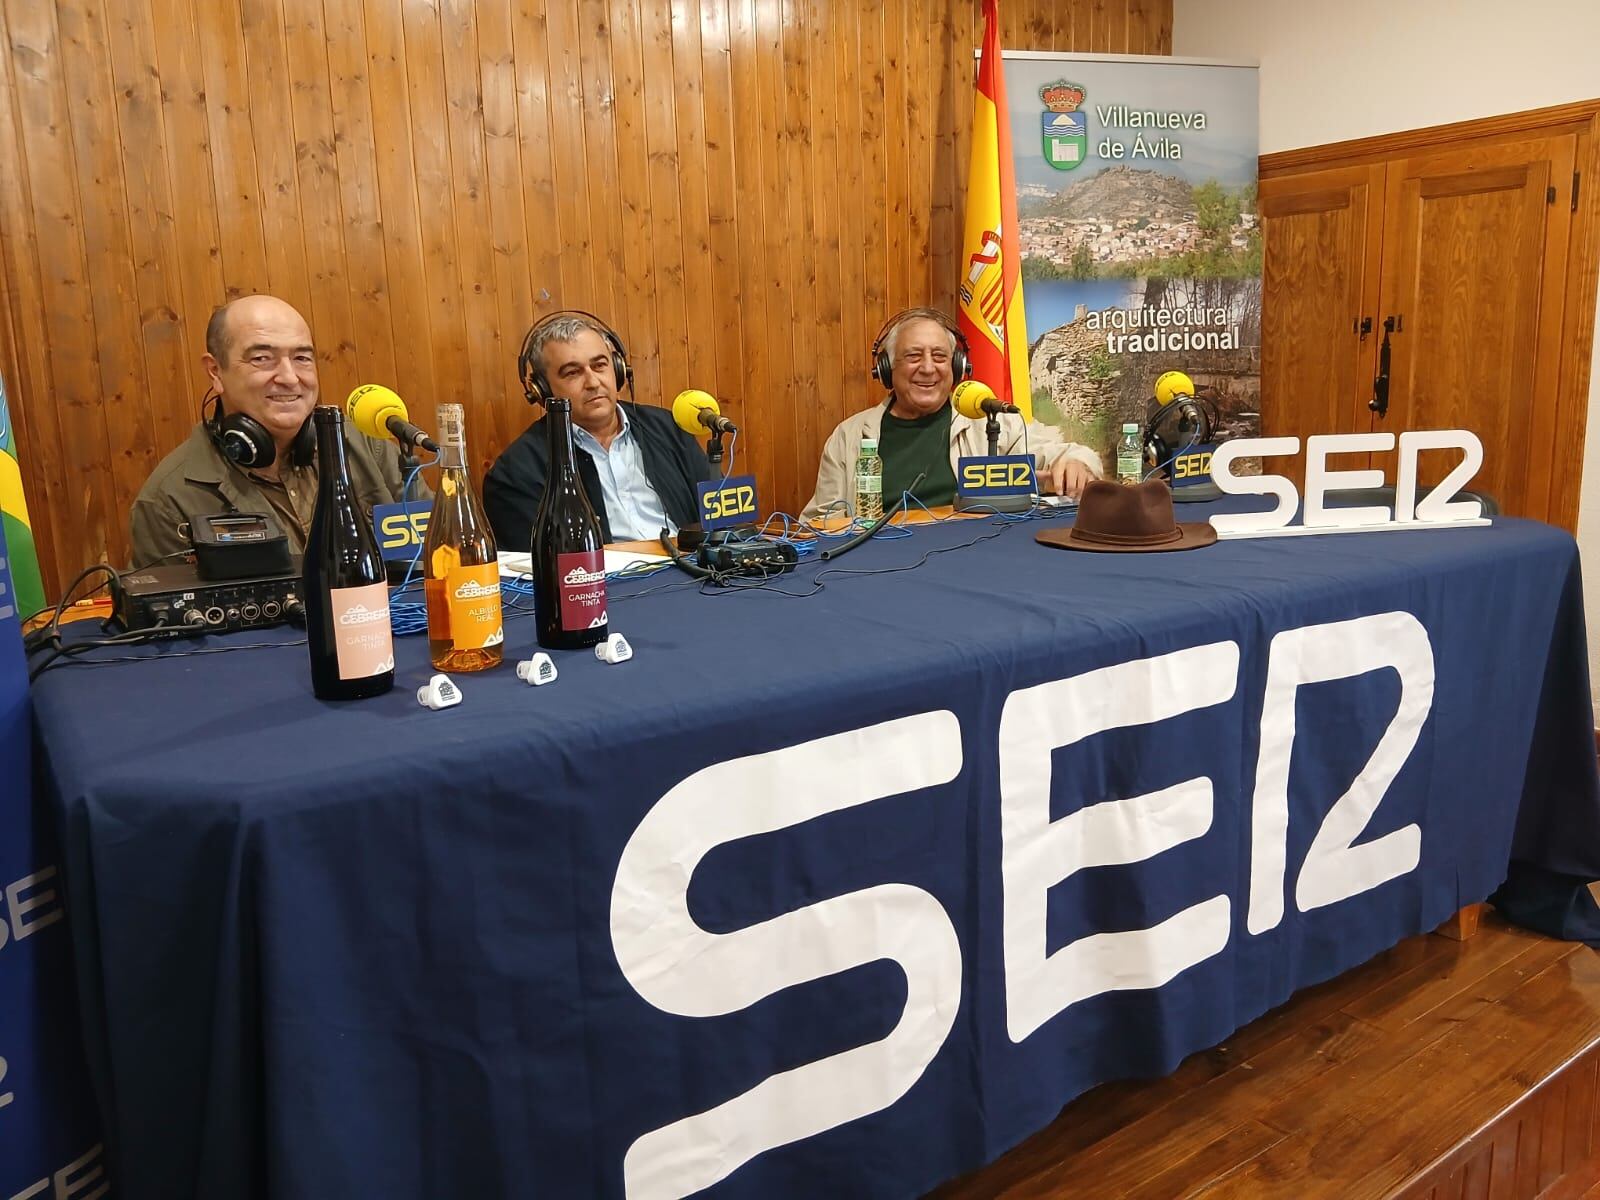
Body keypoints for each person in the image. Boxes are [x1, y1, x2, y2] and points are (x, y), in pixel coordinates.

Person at [129, 295, 418, 568]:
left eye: (302, 358)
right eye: (262, 359)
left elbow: (440, 555)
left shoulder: (368, 448)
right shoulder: (169, 501)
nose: (290, 378)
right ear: (215, 372)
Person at [802, 308, 1101, 519]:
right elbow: (818, 523)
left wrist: (1075, 462)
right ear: (887, 369)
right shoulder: (849, 437)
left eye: (940, 356)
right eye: (913, 356)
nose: (929, 368)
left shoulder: (989, 422)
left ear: (957, 367)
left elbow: (1066, 451)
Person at [483, 312, 712, 549]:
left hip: (690, 570)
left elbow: (715, 520)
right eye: (572, 372)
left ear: (618, 369)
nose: (593, 382)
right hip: (603, 582)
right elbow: (540, 565)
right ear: (543, 390)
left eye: (599, 365)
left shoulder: (670, 430)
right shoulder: (516, 472)